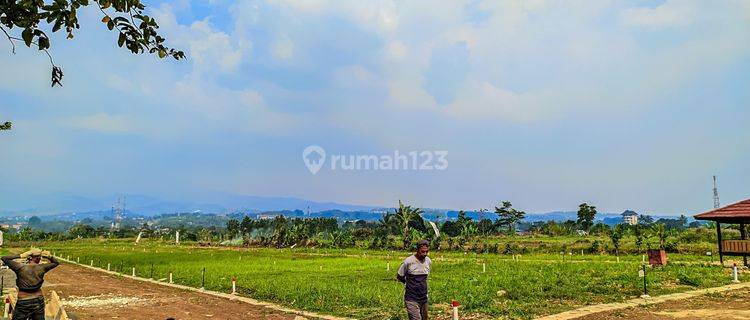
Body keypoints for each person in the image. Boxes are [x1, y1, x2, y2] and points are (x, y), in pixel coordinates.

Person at [1, 248, 59, 320]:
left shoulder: (19, 267)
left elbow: (4, 258)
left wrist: (21, 255)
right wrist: (50, 256)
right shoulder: (42, 267)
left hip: (23, 301)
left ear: (28, 257)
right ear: (38, 259)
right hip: (38, 300)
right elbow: (56, 263)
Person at [396, 239, 432, 320]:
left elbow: (426, 278)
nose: (425, 254)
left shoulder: (428, 261)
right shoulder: (408, 261)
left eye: (427, 252)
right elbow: (399, 276)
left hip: (423, 298)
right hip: (411, 298)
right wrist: (408, 283)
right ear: (417, 250)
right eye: (422, 251)